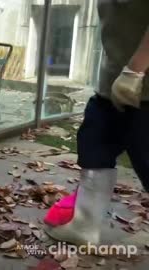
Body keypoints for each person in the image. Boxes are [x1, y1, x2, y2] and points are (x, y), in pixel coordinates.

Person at [43, 0, 149, 245]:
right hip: (112, 85)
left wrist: (135, 70)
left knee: (145, 157)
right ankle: (85, 225)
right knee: (94, 142)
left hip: (143, 88)